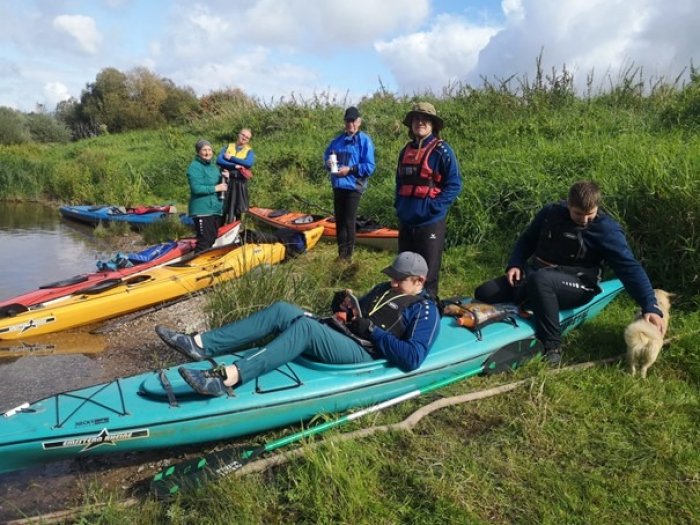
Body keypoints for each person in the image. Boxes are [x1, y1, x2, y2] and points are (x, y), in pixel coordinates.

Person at [156, 252, 440, 396]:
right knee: (282, 309)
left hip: (366, 353)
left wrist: (374, 333)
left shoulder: (425, 310)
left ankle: (229, 377)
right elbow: (358, 314)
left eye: (399, 279)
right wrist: (342, 308)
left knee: (305, 328)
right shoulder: (383, 289)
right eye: (392, 276)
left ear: (419, 282)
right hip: (346, 335)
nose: (392, 282)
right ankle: (200, 345)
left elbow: (412, 357)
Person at [474, 181, 665, 366]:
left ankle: (552, 346)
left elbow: (629, 268)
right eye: (578, 213)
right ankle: (530, 302)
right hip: (538, 275)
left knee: (541, 280)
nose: (584, 220)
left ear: (597, 207)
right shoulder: (551, 213)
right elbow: (528, 239)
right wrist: (515, 264)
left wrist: (649, 305)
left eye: (590, 214)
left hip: (579, 284)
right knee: (485, 292)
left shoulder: (607, 230)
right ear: (568, 204)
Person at [395, 102, 462, 298]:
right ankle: (404, 311)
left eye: (425, 119)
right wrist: (399, 206)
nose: (420, 122)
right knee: (404, 273)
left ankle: (429, 313)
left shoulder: (442, 151)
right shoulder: (405, 151)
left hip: (429, 223)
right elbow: (399, 182)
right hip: (406, 221)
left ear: (433, 124)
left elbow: (454, 184)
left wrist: (434, 207)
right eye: (416, 119)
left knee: (428, 275)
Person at [323, 106, 376, 261]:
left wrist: (350, 169)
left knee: (349, 221)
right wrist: (328, 163)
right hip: (338, 184)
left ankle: (348, 256)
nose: (350, 124)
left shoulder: (364, 140)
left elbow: (370, 167)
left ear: (359, 122)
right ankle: (341, 254)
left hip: (354, 186)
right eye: (347, 121)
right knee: (339, 220)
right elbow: (328, 156)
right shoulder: (337, 140)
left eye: (353, 121)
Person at [187, 139, 229, 253]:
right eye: (204, 150)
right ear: (198, 152)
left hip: (214, 209)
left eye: (209, 149)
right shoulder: (194, 167)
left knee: (211, 239)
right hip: (202, 209)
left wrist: (225, 177)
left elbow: (221, 184)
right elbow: (196, 188)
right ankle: (194, 266)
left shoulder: (213, 167)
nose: (207, 152)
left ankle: (203, 264)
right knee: (204, 241)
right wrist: (216, 188)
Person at [216, 128, 255, 223]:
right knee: (223, 206)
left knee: (237, 208)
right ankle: (220, 229)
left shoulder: (249, 151)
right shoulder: (228, 147)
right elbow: (219, 160)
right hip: (225, 180)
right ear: (239, 134)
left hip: (239, 182)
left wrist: (231, 158)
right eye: (243, 135)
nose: (244, 138)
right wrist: (235, 165)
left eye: (247, 137)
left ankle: (235, 230)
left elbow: (248, 163)